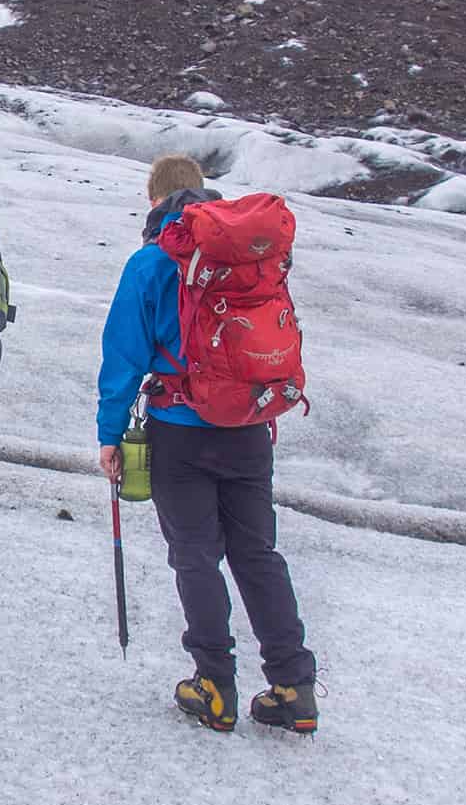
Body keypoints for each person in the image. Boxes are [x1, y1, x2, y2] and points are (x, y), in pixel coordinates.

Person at [96, 154, 320, 736]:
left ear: (154, 201)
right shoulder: (249, 257)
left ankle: (214, 685)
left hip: (180, 432)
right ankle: (294, 686)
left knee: (195, 555)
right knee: (257, 554)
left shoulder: (152, 261)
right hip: (249, 428)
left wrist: (110, 434)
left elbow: (123, 354)